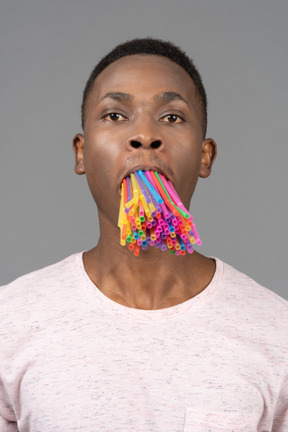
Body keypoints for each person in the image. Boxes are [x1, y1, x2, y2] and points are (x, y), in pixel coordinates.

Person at [0, 38, 287, 432]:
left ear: (206, 156)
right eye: (115, 115)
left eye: (172, 117)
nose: (144, 136)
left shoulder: (276, 332)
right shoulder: (10, 322)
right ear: (80, 153)